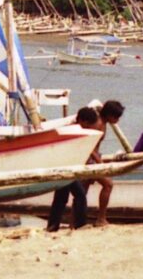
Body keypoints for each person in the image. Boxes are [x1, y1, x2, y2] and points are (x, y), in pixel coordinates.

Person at [46, 106, 95, 232]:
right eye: (88, 125)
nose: (88, 128)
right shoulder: (72, 130)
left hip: (64, 166)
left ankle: (53, 225)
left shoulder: (70, 128)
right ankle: (80, 224)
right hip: (65, 167)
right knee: (79, 195)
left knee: (61, 198)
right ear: (83, 121)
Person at [87, 99, 125, 227]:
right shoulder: (98, 124)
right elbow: (89, 146)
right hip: (89, 159)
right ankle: (101, 218)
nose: (117, 120)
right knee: (108, 184)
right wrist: (100, 162)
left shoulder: (103, 122)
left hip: (92, 158)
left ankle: (75, 221)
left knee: (82, 191)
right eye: (116, 117)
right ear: (109, 114)